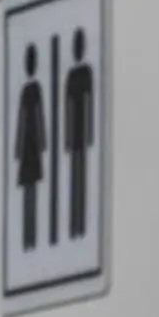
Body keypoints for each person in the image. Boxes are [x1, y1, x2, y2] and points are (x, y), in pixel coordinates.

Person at [63, 27, 95, 240]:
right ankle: (75, 226)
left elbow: (89, 104)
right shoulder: (75, 74)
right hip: (77, 133)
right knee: (76, 178)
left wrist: (89, 133)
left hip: (80, 132)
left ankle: (80, 226)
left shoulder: (83, 73)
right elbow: (68, 107)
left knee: (80, 178)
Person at [14, 48, 47, 253]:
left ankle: (31, 239)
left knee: (31, 189)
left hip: (30, 146)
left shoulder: (32, 90)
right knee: (29, 189)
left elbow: (36, 117)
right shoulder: (30, 90)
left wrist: (41, 144)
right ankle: (28, 239)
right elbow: (24, 119)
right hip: (30, 146)